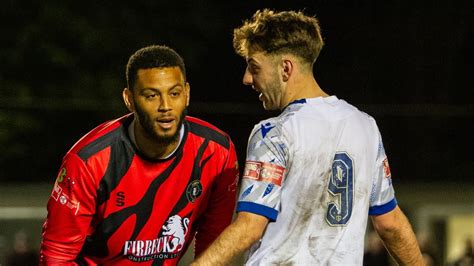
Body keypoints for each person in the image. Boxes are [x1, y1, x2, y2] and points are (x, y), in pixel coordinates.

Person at [192, 9, 424, 265]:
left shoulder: (274, 132)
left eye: (254, 67)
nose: (247, 79)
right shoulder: (365, 126)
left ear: (285, 68)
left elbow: (250, 227)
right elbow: (390, 224)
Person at [40, 45, 239, 265]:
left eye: (174, 93)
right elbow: (57, 257)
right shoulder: (89, 162)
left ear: (187, 93)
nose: (166, 106)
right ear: (129, 99)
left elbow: (214, 245)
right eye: (151, 95)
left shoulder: (218, 152)